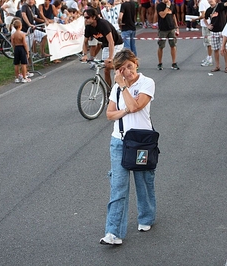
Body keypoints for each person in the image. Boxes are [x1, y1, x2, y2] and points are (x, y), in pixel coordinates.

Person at [101, 49, 156, 245]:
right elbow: (109, 114)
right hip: (119, 142)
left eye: (129, 67)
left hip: (141, 143)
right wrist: (123, 108)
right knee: (118, 187)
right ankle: (113, 232)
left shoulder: (146, 83)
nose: (127, 72)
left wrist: (124, 89)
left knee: (143, 179)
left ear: (136, 64)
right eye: (122, 69)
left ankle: (146, 217)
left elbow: (135, 106)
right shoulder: (116, 88)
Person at [81, 8, 124, 88]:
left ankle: (120, 73)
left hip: (116, 44)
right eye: (84, 17)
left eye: (87, 17)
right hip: (105, 45)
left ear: (94, 17)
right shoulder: (88, 27)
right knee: (106, 69)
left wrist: (110, 58)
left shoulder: (103, 24)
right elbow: (85, 42)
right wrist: (85, 54)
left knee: (111, 64)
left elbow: (111, 41)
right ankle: (109, 91)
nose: (85, 20)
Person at [204, 0, 227, 73]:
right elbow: (204, 18)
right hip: (213, 32)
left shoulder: (220, 6)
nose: (210, 1)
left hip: (222, 31)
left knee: (225, 48)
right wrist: (208, 25)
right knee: (215, 49)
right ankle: (217, 66)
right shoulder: (208, 10)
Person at [156, 0, 180, 70]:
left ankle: (174, 63)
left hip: (171, 28)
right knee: (161, 46)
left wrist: (177, 27)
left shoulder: (172, 5)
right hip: (162, 29)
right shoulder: (159, 6)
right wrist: (167, 7)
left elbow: (173, 16)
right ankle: (160, 63)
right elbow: (162, 15)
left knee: (173, 45)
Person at [198, 0, 213, 66]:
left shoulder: (202, 3)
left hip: (205, 24)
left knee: (208, 42)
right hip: (209, 22)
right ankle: (208, 56)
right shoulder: (207, 1)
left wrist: (195, 19)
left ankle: (209, 58)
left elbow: (203, 15)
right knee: (207, 42)